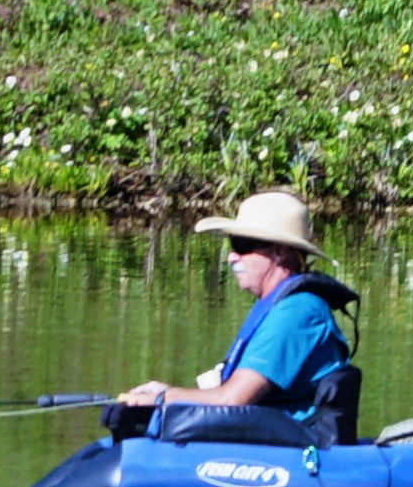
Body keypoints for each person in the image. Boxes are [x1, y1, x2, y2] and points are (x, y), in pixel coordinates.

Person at [107, 188, 361, 445]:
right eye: (233, 244)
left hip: (298, 450)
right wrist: (165, 393)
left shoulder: (298, 313)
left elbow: (232, 400)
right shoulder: (282, 306)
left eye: (242, 246)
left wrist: (164, 398)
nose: (231, 256)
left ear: (279, 253)